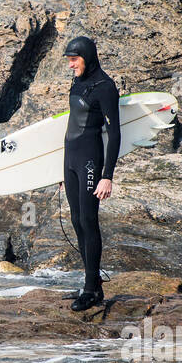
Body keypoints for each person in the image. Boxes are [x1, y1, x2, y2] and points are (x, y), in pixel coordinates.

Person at [58, 35, 120, 311]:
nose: (71, 65)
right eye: (70, 60)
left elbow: (115, 134)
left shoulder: (105, 87)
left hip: (90, 162)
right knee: (75, 220)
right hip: (70, 160)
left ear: (87, 57)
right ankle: (91, 283)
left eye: (74, 59)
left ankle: (92, 291)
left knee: (88, 219)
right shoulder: (78, 81)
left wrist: (108, 175)